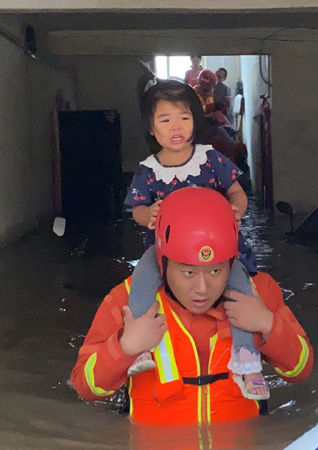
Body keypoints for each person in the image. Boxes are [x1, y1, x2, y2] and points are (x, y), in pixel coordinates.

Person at [70, 188, 313, 424]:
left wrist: (268, 324)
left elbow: (300, 369)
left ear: (232, 261)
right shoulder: (127, 299)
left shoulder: (258, 293)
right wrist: (126, 347)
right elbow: (86, 388)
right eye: (187, 272)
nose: (202, 288)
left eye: (216, 270)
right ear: (163, 263)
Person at [122, 71, 268, 400]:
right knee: (142, 278)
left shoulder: (211, 159)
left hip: (217, 248)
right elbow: (136, 210)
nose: (176, 127)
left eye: (184, 118)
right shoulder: (148, 170)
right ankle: (140, 348)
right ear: (151, 127)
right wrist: (150, 216)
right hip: (166, 250)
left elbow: (238, 192)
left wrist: (235, 209)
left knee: (240, 284)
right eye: (165, 119)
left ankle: (248, 361)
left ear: (195, 120)